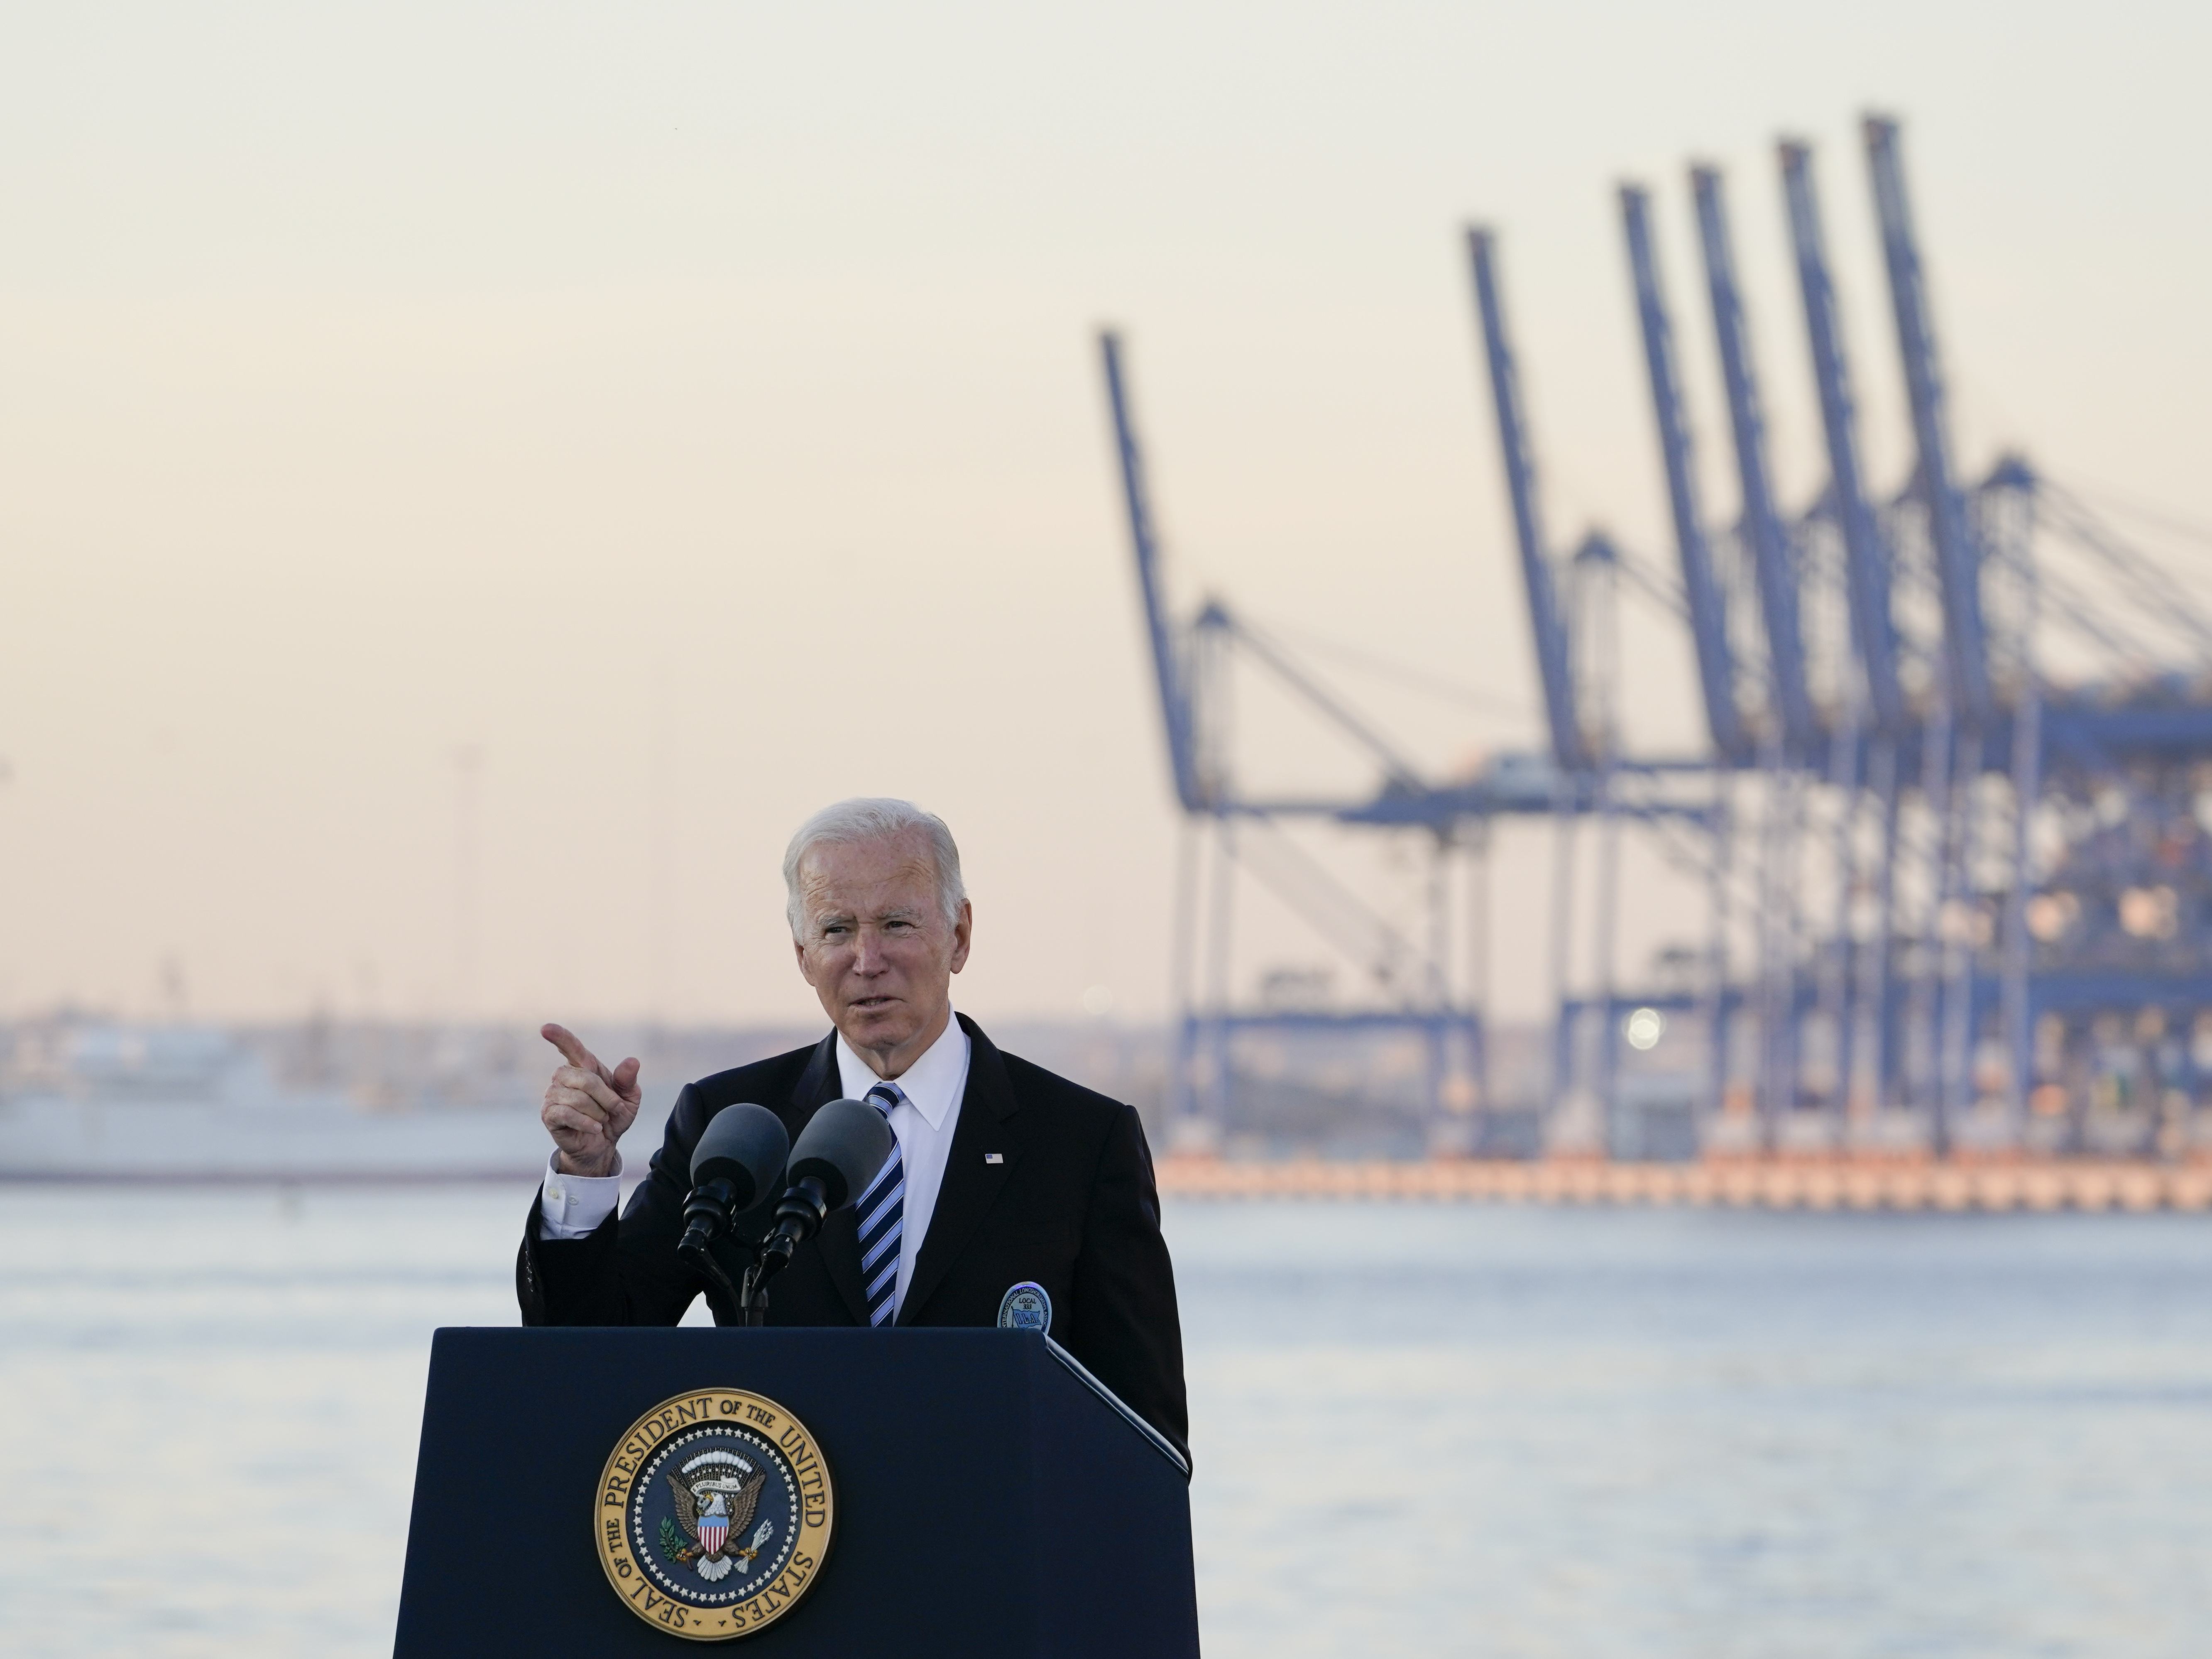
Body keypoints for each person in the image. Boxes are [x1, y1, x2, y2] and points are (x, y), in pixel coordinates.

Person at [515, 797, 1188, 1453]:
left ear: (959, 936)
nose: (867, 960)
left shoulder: (1081, 1142)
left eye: (897, 924)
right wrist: (585, 1172)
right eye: (837, 930)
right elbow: (593, 1352)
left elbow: (1146, 1433)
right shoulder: (730, 1127)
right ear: (803, 955)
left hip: (994, 1555)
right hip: (783, 1553)